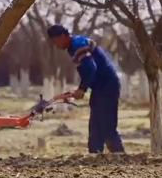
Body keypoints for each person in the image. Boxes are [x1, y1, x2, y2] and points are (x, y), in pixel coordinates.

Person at [47, 24, 125, 154]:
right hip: (100, 87)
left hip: (107, 85)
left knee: (107, 125)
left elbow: (90, 68)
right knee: (95, 126)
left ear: (62, 36)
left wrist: (82, 89)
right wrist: (79, 88)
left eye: (55, 41)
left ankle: (120, 157)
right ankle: (94, 157)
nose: (56, 45)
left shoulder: (78, 45)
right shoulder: (74, 45)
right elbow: (87, 70)